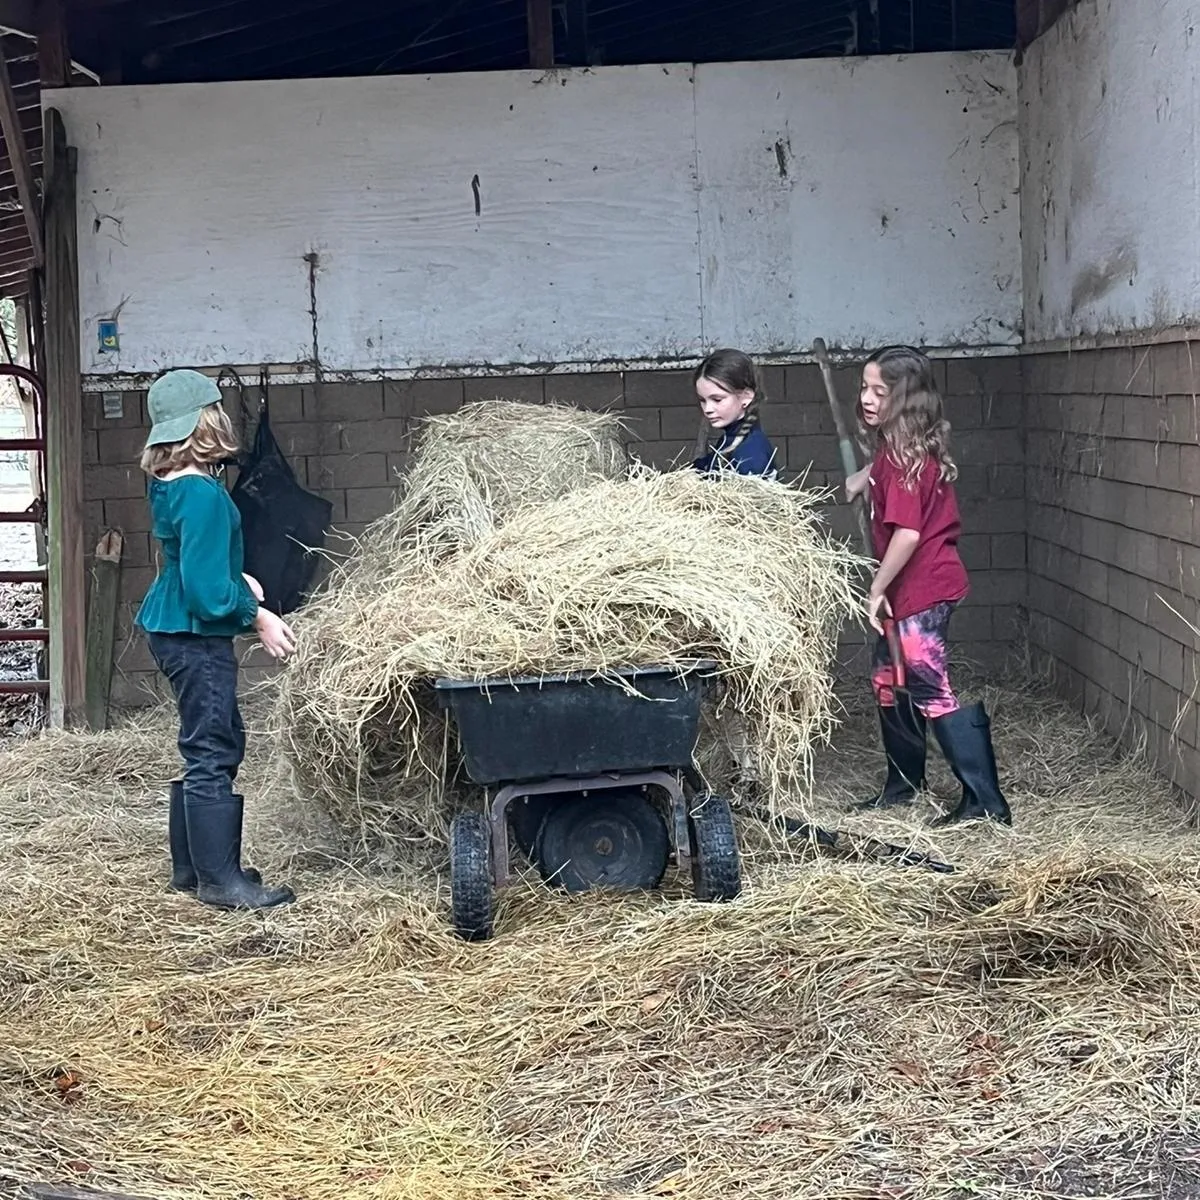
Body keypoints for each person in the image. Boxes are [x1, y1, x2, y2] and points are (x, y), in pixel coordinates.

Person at [136, 369, 299, 909]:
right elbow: (207, 596)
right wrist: (257, 614)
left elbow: (193, 564)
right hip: (194, 633)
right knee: (212, 747)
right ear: (207, 420)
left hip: (174, 625)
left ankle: (196, 869)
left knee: (214, 737)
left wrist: (239, 580)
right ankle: (220, 883)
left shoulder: (168, 481)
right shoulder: (201, 494)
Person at [845, 346, 1011, 826]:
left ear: (907, 399)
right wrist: (862, 477)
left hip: (922, 590)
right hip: (906, 589)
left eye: (880, 391)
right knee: (888, 679)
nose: (868, 399)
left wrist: (875, 588)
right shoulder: (897, 447)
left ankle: (985, 800)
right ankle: (903, 784)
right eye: (864, 387)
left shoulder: (901, 456)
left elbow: (909, 532)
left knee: (928, 685)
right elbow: (887, 477)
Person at [692, 348, 778, 478]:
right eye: (703, 400)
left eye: (717, 399)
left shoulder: (750, 453)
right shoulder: (730, 440)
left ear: (746, 397)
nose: (707, 409)